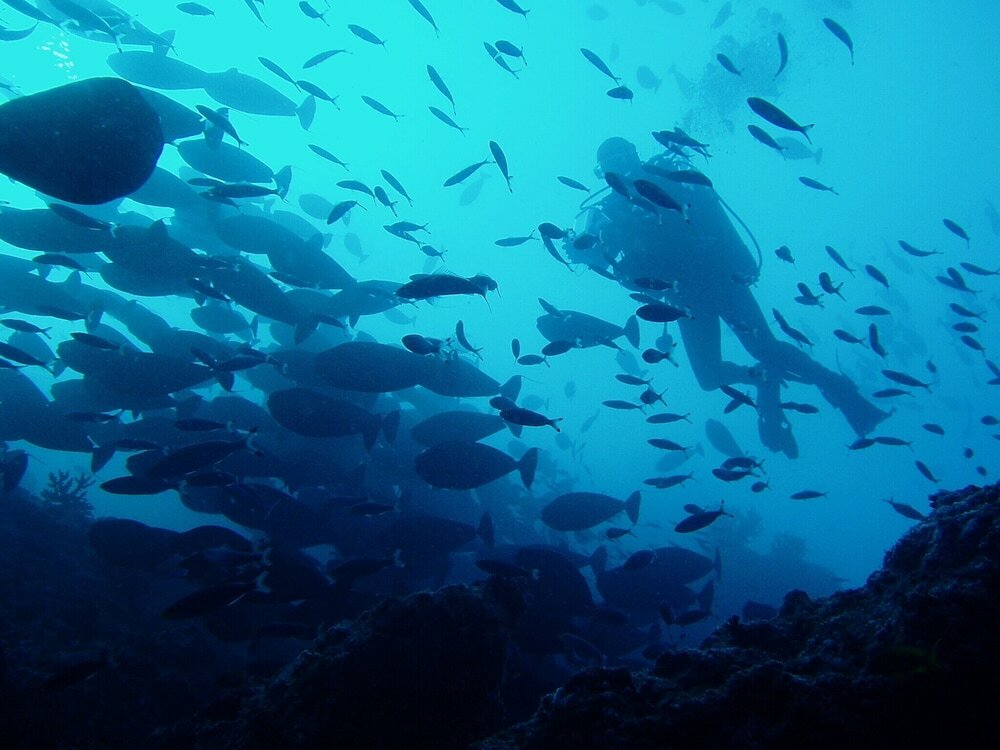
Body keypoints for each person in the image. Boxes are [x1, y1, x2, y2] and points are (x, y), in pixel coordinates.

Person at [565, 136, 888, 458]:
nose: (620, 167)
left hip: (713, 282)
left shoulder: (664, 182)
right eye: (614, 164)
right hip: (696, 292)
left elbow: (709, 220)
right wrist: (583, 252)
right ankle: (768, 378)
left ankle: (841, 393)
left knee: (759, 351)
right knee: (717, 371)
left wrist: (741, 264)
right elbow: (615, 262)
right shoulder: (618, 208)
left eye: (621, 159)